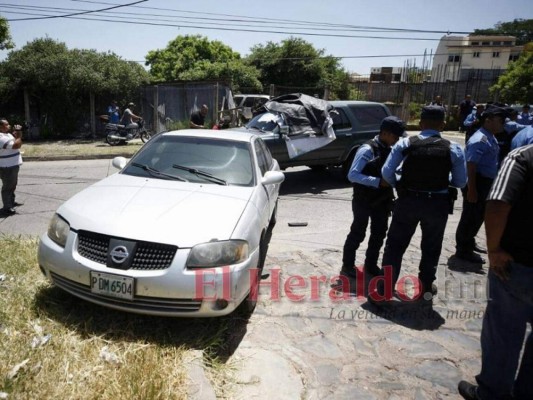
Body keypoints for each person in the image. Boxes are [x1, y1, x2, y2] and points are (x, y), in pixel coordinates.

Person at [458, 144, 533, 400]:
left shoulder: (522, 157)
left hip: (517, 265)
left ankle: (492, 393)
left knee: (503, 331)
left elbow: (498, 202)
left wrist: (493, 249)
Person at [375, 106, 466, 305]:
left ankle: (385, 288)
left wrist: (401, 182)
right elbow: (460, 182)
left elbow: (387, 173)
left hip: (408, 201)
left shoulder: (406, 143)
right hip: (437, 205)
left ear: (421, 123)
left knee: (395, 246)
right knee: (431, 247)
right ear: (442, 125)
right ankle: (425, 286)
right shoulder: (453, 148)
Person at [334, 116, 406, 288]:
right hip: (363, 200)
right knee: (358, 232)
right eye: (395, 136)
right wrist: (377, 182)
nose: (397, 140)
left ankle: (370, 264)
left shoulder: (390, 149)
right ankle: (347, 265)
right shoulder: (367, 149)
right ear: (386, 133)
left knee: (379, 233)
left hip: (382, 200)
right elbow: (353, 175)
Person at [454, 105, 508, 265]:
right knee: (470, 216)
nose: (502, 124)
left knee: (477, 216)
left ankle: (469, 242)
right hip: (477, 181)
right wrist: (472, 189)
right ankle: (463, 249)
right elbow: (471, 165)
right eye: (499, 121)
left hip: (484, 182)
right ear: (488, 121)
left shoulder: (490, 136)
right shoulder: (480, 139)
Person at [0, 118, 24, 217]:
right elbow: (16, 145)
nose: (9, 126)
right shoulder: (1, 137)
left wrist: (17, 135)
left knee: (13, 185)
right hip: (7, 166)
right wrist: (19, 135)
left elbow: (16, 141)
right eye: (7, 124)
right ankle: (7, 207)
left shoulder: (7, 134)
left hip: (12, 164)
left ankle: (11, 202)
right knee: (8, 187)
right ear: (0, 127)